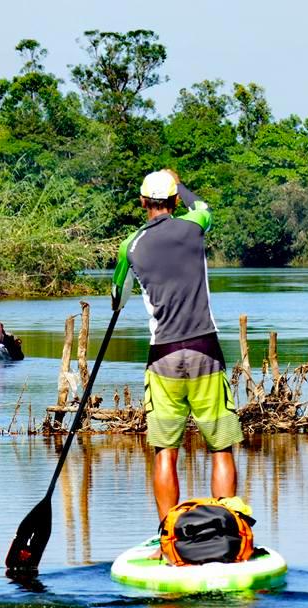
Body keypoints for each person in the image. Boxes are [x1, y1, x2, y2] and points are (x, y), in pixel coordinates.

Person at [111, 169, 243, 527]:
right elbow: (202, 207)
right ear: (172, 201)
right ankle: (228, 529)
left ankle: (168, 535)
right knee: (220, 447)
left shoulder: (131, 246)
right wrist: (180, 182)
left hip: (163, 357)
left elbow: (116, 297)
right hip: (205, 350)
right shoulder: (194, 225)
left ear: (143, 203)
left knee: (165, 452)